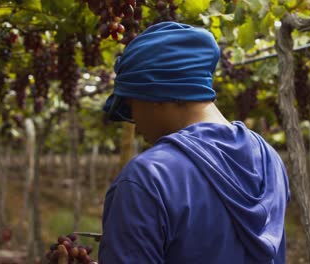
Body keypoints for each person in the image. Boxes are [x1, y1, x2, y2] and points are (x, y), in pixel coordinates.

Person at [100, 21, 290, 264]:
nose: (134, 121)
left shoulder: (147, 178)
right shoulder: (268, 158)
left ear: (154, 94)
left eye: (131, 105)